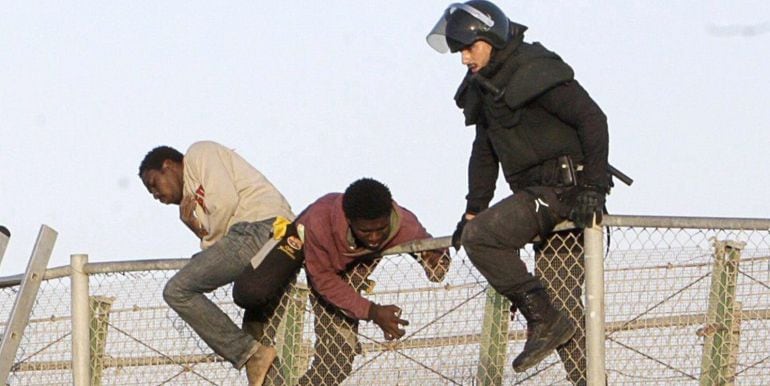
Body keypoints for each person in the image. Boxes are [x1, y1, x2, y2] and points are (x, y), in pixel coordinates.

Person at [427, 1, 610, 384]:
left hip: (567, 191)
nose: (463, 59)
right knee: (561, 306)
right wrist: (473, 210)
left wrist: (593, 186)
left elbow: (592, 119)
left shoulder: (533, 68)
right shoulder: (485, 87)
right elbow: (484, 151)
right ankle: (586, 376)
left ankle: (541, 317)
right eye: (459, 50)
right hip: (535, 195)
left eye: (468, 47)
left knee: (483, 240)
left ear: (489, 37)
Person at [138, 140, 295, 386]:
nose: (155, 195)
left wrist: (205, 239)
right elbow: (221, 239)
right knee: (255, 332)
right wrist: (197, 229)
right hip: (257, 241)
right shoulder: (192, 204)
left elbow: (225, 203)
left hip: (263, 228)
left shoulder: (198, 154)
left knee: (177, 290)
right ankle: (262, 364)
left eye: (153, 184)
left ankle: (249, 354)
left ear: (167, 165)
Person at [294, 178, 451, 386]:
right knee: (334, 362)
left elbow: (436, 259)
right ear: (349, 221)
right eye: (366, 232)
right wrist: (373, 311)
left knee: (336, 364)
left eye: (381, 229)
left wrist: (436, 260)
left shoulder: (404, 224)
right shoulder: (320, 222)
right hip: (308, 263)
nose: (375, 237)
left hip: (348, 280)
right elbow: (323, 279)